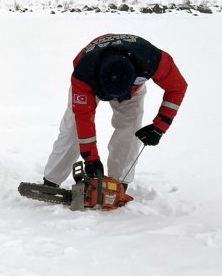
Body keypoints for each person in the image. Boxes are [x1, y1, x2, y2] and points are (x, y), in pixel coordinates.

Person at [42, 34, 188, 189]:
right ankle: (51, 181)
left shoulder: (152, 59)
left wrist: (160, 127)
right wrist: (91, 158)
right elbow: (83, 119)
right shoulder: (83, 74)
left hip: (131, 88)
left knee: (131, 129)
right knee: (73, 129)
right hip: (91, 81)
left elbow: (177, 87)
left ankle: (118, 183)